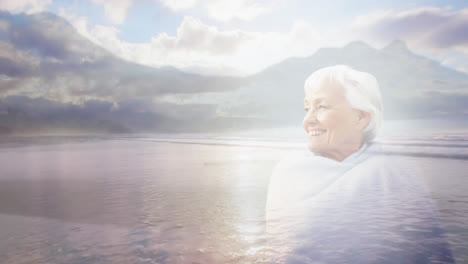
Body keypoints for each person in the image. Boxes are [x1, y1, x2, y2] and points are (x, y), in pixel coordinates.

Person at [265, 65, 455, 263]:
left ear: (361, 117)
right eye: (307, 108)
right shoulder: (287, 172)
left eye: (321, 106)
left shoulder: (397, 174)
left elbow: (431, 252)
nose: (307, 120)